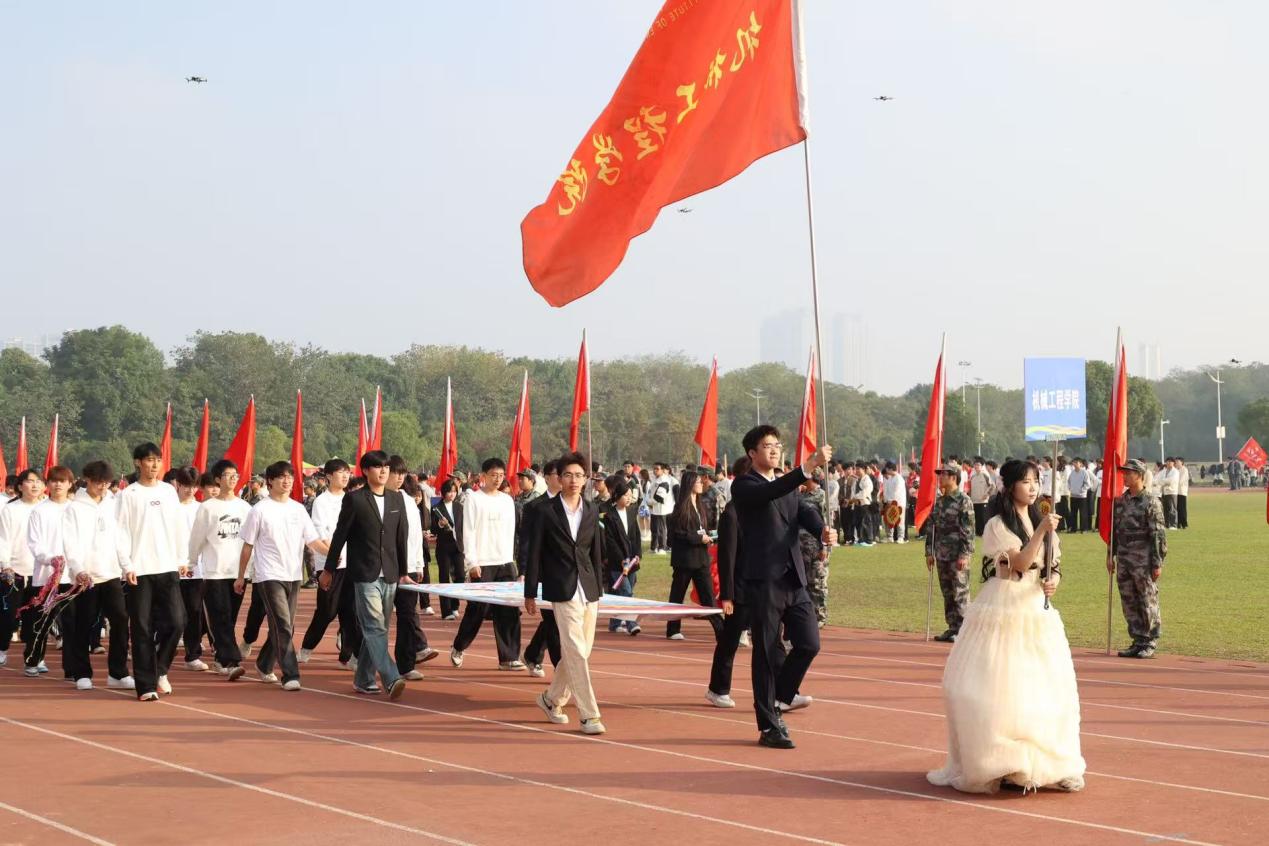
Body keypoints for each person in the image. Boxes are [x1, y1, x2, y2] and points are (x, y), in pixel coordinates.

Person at [927, 458, 1085, 794]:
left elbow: (1052, 566)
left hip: (1036, 608)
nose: (1033, 487)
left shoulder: (1042, 522)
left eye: (1036, 480)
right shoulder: (997, 525)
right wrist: (1041, 531)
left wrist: (1053, 581)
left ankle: (1052, 764)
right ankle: (1007, 763)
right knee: (1002, 687)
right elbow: (1021, 563)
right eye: (1026, 481)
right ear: (1010, 486)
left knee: (1045, 686)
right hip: (1004, 605)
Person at [731, 426, 832, 749]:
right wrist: (808, 466)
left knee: (809, 643)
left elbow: (803, 510)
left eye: (777, 444)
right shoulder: (744, 485)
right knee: (764, 651)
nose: (774, 450)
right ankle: (768, 726)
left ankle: (780, 698)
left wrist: (821, 530)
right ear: (752, 453)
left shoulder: (786, 484)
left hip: (793, 578)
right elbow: (770, 493)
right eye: (767, 445)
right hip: (764, 581)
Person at [524, 451, 607, 735]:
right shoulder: (544, 511)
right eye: (568, 475)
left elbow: (595, 552)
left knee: (581, 651)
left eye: (579, 475)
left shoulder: (592, 509)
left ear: (586, 479)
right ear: (559, 478)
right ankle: (589, 715)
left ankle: (551, 699)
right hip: (561, 587)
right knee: (575, 651)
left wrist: (598, 588)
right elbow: (534, 553)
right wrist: (530, 592)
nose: (573, 480)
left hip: (588, 588)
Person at [320, 450, 411, 699]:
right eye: (378, 467)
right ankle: (391, 677)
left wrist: (403, 572)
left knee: (379, 628)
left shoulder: (396, 499)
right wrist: (328, 569)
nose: (383, 471)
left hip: (390, 572)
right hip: (364, 573)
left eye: (386, 467)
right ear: (366, 471)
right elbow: (340, 535)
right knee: (374, 627)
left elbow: (400, 537)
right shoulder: (355, 499)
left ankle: (363, 678)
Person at [234, 461, 329, 691]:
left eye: (289, 477)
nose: (287, 481)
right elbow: (247, 546)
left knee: (287, 626)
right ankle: (290, 674)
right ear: (270, 481)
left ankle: (264, 663)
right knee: (283, 625)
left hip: (293, 574)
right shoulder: (259, 510)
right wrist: (240, 576)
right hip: (268, 575)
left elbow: (313, 540)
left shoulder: (298, 509)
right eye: (281, 477)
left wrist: (333, 554)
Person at [116, 442, 191, 701]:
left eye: (157, 460)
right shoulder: (129, 494)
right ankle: (146, 685)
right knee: (142, 627)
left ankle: (159, 669)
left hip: (168, 566)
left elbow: (179, 526)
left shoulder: (169, 491)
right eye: (149, 460)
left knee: (177, 622)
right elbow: (121, 532)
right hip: (140, 570)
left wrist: (182, 558)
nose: (154, 464)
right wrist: (127, 565)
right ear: (138, 463)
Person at [61, 460, 133, 690]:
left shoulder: (113, 504)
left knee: (120, 620)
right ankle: (82, 673)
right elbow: (69, 543)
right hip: (87, 577)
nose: (102, 487)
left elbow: (120, 538)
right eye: (98, 483)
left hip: (111, 573)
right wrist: (78, 569)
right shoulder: (74, 508)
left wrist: (127, 566)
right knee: (84, 623)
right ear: (87, 480)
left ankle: (118, 673)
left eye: (106, 483)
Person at [450, 458, 524, 670]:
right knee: (477, 609)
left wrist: (513, 561)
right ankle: (459, 646)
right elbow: (468, 531)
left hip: (505, 562)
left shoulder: (507, 500)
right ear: (483, 476)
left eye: (501, 476)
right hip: (482, 562)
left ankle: (509, 657)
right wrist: (472, 562)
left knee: (509, 610)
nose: (497, 479)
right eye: (493, 475)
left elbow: (511, 533)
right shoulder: (473, 498)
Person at [189, 459, 251, 680]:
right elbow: (197, 538)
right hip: (215, 570)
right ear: (217, 479)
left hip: (238, 572)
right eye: (227, 475)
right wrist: (191, 561)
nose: (233, 479)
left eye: (235, 475)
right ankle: (231, 661)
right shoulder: (208, 507)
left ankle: (220, 659)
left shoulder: (245, 508)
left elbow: (250, 540)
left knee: (230, 617)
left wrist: (249, 570)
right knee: (220, 616)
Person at [707, 456, 759, 709]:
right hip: (740, 588)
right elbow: (726, 557)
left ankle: (785, 691)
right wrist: (727, 595)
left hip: (761, 584)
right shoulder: (732, 513)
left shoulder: (759, 509)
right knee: (730, 639)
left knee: (771, 639)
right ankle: (718, 688)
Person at [299, 458, 362, 667]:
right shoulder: (321, 501)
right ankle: (307, 647)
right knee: (327, 611)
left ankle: (350, 656)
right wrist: (332, 555)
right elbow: (321, 531)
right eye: (340, 472)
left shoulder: (352, 499)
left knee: (351, 612)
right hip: (330, 565)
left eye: (347, 472)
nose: (345, 476)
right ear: (328, 476)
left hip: (352, 564)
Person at [23, 465, 77, 676]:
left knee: (72, 624)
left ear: (70, 484)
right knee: (41, 623)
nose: (57, 485)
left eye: (62, 481)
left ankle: (72, 668)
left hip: (72, 576)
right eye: (53, 481)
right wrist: (50, 559)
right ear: (48, 484)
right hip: (46, 578)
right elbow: (34, 543)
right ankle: (33, 660)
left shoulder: (76, 510)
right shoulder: (39, 511)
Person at [1111, 458, 1167, 658]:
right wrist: (1111, 555)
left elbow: (1158, 535)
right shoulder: (1121, 501)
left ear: (1140, 476)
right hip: (1124, 558)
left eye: (1129, 473)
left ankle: (1150, 640)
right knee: (1129, 600)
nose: (1125, 476)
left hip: (1143, 559)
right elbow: (1115, 531)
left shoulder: (1151, 501)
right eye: (1124, 473)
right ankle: (1138, 639)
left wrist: (1157, 562)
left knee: (1147, 599)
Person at [389, 461, 436, 681]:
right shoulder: (374, 499)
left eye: (402, 473)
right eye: (394, 473)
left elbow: (416, 535)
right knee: (376, 621)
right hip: (383, 570)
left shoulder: (408, 501)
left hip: (408, 569)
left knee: (407, 616)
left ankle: (405, 665)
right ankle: (361, 660)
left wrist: (418, 565)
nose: (399, 477)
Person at [665, 469, 724, 641]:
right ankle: (673, 629)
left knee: (708, 597)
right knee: (677, 596)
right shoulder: (680, 508)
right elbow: (679, 535)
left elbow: (703, 529)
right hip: (684, 560)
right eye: (697, 481)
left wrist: (709, 536)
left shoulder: (701, 505)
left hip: (701, 559)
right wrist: (700, 538)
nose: (701, 484)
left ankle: (721, 631)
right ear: (690, 484)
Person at [924, 462, 975, 642]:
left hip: (957, 554)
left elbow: (968, 530)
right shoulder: (940, 501)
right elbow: (932, 528)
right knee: (947, 593)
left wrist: (965, 555)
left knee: (960, 593)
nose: (940, 477)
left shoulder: (963, 501)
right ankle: (952, 627)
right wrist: (929, 552)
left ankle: (963, 630)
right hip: (941, 554)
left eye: (943, 474)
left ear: (953, 477)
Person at [166, 466, 209, 671]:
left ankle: (193, 655)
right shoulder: (169, 508)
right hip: (172, 567)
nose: (190, 491)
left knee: (194, 611)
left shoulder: (202, 509)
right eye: (186, 486)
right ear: (178, 485)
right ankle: (164, 647)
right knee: (172, 614)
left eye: (193, 487)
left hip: (196, 569)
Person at [522, 461, 563, 677]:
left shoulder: (575, 504)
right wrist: (525, 572)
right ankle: (561, 670)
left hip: (567, 575)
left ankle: (532, 654)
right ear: (546, 478)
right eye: (559, 474)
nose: (564, 478)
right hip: (543, 575)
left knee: (557, 620)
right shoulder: (535, 507)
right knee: (553, 622)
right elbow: (527, 544)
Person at [0, 470, 43, 669]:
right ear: (19, 486)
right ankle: (2, 648)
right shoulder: (10, 510)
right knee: (7, 617)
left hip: (41, 573)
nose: (34, 485)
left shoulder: (46, 508)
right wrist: (5, 564)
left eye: (38, 481)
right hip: (14, 571)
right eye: (30, 481)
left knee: (36, 619)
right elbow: (4, 539)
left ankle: (34, 658)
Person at [599, 476, 642, 635]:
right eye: (626, 495)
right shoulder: (609, 516)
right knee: (626, 592)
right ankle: (631, 624)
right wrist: (622, 560)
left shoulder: (631, 513)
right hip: (618, 563)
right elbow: (610, 542)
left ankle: (615, 623)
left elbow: (636, 536)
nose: (629, 498)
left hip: (632, 561)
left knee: (620, 593)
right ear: (617, 497)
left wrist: (637, 555)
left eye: (630, 495)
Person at [799, 473, 830, 626]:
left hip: (817, 546)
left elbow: (827, 523)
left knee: (817, 582)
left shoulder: (822, 496)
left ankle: (820, 616)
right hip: (801, 545)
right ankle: (809, 616)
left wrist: (825, 547)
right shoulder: (802, 495)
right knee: (804, 582)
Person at [431, 479, 465, 620]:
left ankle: (454, 605)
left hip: (458, 546)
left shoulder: (459, 507)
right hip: (444, 547)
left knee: (461, 576)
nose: (452, 494)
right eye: (449, 492)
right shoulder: (436, 508)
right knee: (444, 577)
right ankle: (446, 611)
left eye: (454, 491)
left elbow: (463, 526)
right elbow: (433, 529)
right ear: (443, 492)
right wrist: (439, 524)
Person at [648, 463, 675, 554]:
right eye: (654, 469)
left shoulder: (664, 481)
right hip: (654, 509)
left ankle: (662, 548)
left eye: (657, 469)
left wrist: (649, 502)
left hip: (661, 509)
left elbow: (659, 497)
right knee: (654, 529)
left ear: (663, 470)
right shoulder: (655, 479)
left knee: (660, 529)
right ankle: (653, 547)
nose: (655, 471)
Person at [1175, 456, 1190, 530]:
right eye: (1176, 462)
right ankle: (1178, 523)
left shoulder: (1184, 470)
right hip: (1175, 491)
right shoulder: (1175, 470)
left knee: (1182, 508)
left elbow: (1181, 481)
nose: (1176, 463)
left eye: (1178, 462)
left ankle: (1184, 523)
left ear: (1182, 462)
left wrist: (1173, 483)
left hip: (1182, 492)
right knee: (1177, 508)